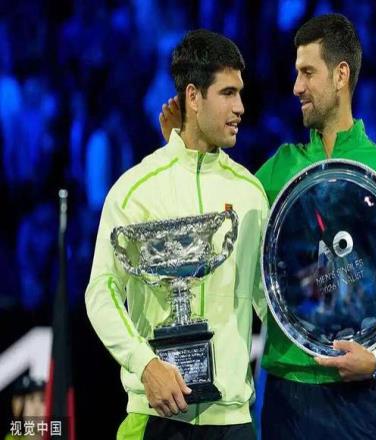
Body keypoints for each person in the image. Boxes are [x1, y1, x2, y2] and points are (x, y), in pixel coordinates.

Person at [160, 14, 376, 440]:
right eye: (296, 73)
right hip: (285, 398)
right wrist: (182, 150)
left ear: (341, 75)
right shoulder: (280, 170)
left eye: (308, 72)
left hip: (355, 401)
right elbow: (210, 225)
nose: (296, 87)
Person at [85, 29, 268, 440]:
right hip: (154, 414)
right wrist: (145, 364)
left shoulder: (250, 193)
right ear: (193, 96)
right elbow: (101, 292)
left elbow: (267, 300)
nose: (240, 107)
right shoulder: (136, 189)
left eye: (240, 93)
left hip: (232, 422)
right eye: (227, 93)